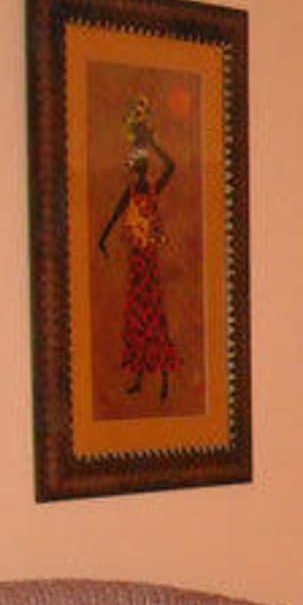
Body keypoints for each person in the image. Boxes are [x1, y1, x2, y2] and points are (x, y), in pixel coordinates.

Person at [96, 94, 181, 403]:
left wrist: (153, 143)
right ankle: (141, 378)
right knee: (139, 318)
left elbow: (171, 166)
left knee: (153, 316)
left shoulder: (153, 190)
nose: (138, 168)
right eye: (136, 164)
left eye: (140, 164)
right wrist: (103, 238)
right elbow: (115, 215)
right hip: (138, 259)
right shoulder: (131, 191)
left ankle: (164, 379)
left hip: (147, 260)